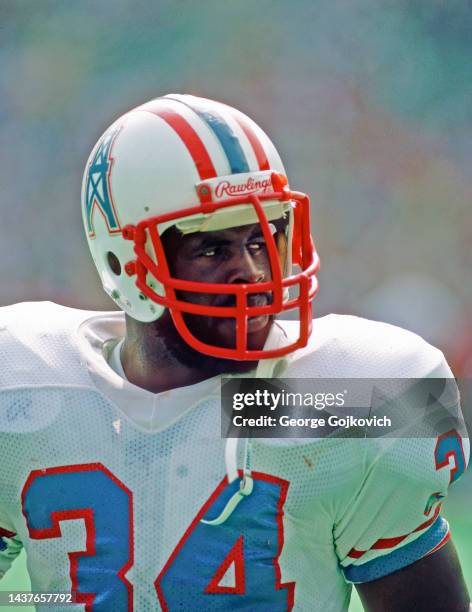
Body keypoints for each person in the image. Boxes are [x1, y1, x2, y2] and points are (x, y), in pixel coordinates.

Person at [0, 94, 469, 611]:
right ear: (127, 264)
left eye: (263, 237)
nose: (252, 271)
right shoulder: (27, 386)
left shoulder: (346, 395)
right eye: (211, 248)